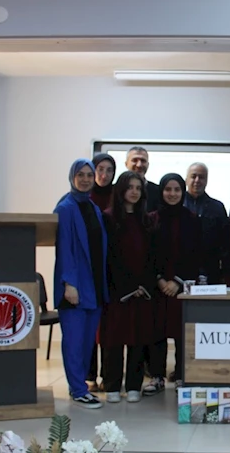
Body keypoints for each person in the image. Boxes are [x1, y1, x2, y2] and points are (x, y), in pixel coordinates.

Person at [99, 171, 159, 404]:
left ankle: (134, 384)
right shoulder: (108, 218)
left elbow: (152, 257)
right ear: (121, 190)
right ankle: (112, 384)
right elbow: (109, 257)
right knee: (113, 340)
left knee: (138, 340)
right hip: (117, 291)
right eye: (130, 187)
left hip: (142, 292)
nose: (134, 192)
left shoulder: (147, 220)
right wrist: (126, 286)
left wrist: (144, 285)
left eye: (138, 188)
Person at [53, 158, 109, 409]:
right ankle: (77, 389)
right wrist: (69, 284)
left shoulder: (92, 207)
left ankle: (80, 385)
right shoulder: (65, 208)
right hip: (74, 287)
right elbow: (64, 248)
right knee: (74, 342)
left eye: (89, 175)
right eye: (81, 175)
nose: (86, 179)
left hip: (94, 285)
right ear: (72, 177)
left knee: (87, 342)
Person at [152, 173, 203, 391]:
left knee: (182, 332)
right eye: (168, 189)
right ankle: (156, 376)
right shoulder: (151, 218)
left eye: (177, 190)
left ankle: (182, 375)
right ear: (161, 191)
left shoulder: (192, 219)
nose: (172, 194)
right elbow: (148, 255)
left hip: (182, 287)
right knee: (157, 332)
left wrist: (177, 281)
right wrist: (160, 280)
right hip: (158, 287)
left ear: (183, 192)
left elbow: (196, 255)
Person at [85, 152, 115, 392]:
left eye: (109, 170)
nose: (104, 175)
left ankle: (108, 375)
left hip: (112, 270)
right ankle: (89, 375)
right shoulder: (83, 198)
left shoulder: (118, 196)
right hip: (89, 269)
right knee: (90, 326)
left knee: (108, 328)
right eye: (100, 169)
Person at [184, 162, 230, 285]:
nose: (197, 180)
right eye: (193, 176)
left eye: (202, 177)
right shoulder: (177, 205)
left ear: (207, 180)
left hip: (211, 272)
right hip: (182, 272)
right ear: (186, 179)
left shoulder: (217, 207)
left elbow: (225, 243)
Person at [125, 146, 160, 211]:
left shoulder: (158, 192)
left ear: (148, 165)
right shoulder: (114, 191)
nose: (139, 165)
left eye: (143, 161)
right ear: (126, 164)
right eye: (135, 160)